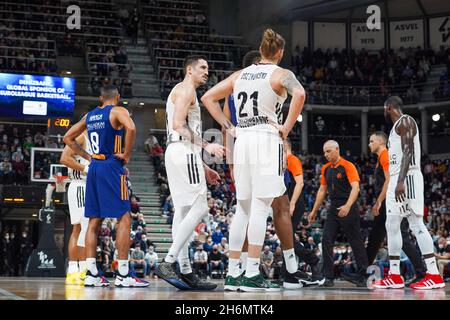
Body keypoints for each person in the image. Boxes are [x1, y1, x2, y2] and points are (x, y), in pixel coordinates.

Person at [201, 29, 305, 292]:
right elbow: (300, 95)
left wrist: (228, 126)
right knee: (260, 208)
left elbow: (207, 98)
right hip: (266, 138)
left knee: (243, 209)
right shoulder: (282, 74)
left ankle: (233, 273)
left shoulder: (240, 75)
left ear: (261, 50)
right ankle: (251, 274)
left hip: (243, 138)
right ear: (279, 52)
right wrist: (286, 128)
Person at [64, 85, 148, 288]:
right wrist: (127, 154)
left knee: (94, 220)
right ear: (117, 97)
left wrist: (87, 157)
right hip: (111, 165)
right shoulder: (119, 111)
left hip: (94, 167)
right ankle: (124, 274)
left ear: (101, 98)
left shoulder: (90, 115)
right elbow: (132, 128)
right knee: (125, 218)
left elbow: (67, 137)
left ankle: (91, 273)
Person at [155, 55, 224, 291]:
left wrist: (204, 167)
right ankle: (168, 261)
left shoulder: (181, 90)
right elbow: (177, 125)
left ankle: (185, 271)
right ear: (189, 69)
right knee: (201, 207)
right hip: (183, 151)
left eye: (208, 68)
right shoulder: (186, 90)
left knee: (183, 211)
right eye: (202, 67)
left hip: (176, 151)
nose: (206, 71)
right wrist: (207, 146)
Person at [373, 96, 445, 289]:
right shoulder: (396, 126)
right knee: (392, 224)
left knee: (415, 223)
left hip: (408, 177)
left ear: (389, 106)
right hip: (397, 178)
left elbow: (408, 152)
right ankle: (395, 275)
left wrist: (402, 180)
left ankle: (434, 274)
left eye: (384, 108)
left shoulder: (406, 121)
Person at [365, 131, 425, 284]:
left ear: (380, 141)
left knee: (392, 236)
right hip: (390, 200)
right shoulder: (382, 157)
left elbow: (389, 181)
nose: (369, 144)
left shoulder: (385, 155)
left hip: (389, 200)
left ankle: (363, 269)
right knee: (379, 235)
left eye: (372, 141)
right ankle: (364, 268)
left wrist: (379, 201)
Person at [308, 140, 369, 287]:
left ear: (337, 149)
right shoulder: (325, 169)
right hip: (333, 207)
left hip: (349, 206)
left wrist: (347, 206)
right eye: (324, 152)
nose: (326, 154)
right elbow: (322, 190)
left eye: (328, 151)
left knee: (355, 241)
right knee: (326, 240)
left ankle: (363, 275)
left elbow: (356, 188)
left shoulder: (348, 166)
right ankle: (328, 277)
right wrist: (314, 210)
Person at [60, 128, 91, 285]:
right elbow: (64, 158)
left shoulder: (94, 138)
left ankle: (76, 270)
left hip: (85, 186)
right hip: (79, 185)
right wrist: (86, 169)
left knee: (80, 229)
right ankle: (79, 270)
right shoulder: (80, 136)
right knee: (81, 228)